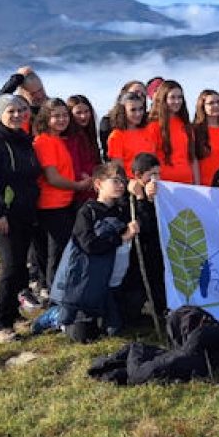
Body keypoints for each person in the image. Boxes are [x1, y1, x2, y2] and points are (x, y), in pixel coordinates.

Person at [0, 95, 41, 343]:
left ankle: (13, 314)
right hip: (1, 214)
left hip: (24, 212)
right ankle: (0, 326)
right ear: (0, 114)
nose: (17, 115)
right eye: (10, 111)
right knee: (12, 265)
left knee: (20, 265)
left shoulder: (24, 139)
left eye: (21, 110)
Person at [51, 162, 139, 343]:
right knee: (83, 336)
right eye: (115, 181)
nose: (121, 185)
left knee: (115, 330)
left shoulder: (122, 210)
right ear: (98, 184)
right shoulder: (87, 211)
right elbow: (89, 244)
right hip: (88, 281)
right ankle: (55, 316)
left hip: (112, 282)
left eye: (123, 181)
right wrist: (120, 238)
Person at [32, 98, 93, 291]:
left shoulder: (57, 139)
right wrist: (78, 186)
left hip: (63, 203)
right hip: (51, 205)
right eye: (56, 116)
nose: (62, 119)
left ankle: (60, 292)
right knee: (58, 252)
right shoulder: (44, 142)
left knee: (62, 250)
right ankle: (55, 295)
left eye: (65, 115)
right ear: (45, 118)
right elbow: (52, 177)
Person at [122, 152, 166, 321]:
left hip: (155, 255)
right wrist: (141, 198)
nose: (156, 179)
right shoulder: (127, 198)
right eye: (152, 174)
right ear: (139, 176)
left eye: (158, 174)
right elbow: (143, 226)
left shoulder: (160, 195)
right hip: (135, 261)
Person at [147, 80, 198, 184]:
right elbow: (150, 160)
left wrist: (197, 184)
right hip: (165, 185)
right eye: (172, 97)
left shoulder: (186, 125)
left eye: (180, 97)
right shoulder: (153, 126)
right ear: (163, 99)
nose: (177, 101)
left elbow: (192, 158)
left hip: (188, 184)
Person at [106, 91, 156, 178]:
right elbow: (118, 171)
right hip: (131, 187)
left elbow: (154, 161)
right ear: (123, 111)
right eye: (133, 110)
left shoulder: (148, 131)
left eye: (141, 109)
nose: (138, 113)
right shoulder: (116, 136)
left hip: (152, 184)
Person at [65, 94, 102, 204]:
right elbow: (73, 164)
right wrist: (88, 179)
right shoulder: (71, 137)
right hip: (82, 190)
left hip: (95, 186)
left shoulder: (89, 134)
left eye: (86, 111)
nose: (83, 116)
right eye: (78, 113)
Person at [99, 80, 147, 156]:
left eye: (143, 95)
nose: (139, 96)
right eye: (135, 92)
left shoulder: (145, 122)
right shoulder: (108, 122)